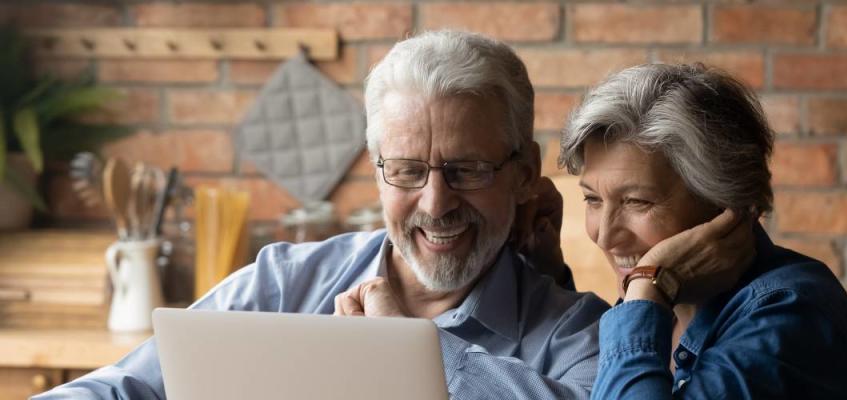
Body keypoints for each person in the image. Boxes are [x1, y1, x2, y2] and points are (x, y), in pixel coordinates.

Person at [35, 31, 611, 400]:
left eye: (467, 170)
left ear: (522, 171)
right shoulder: (284, 282)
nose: (436, 204)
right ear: (376, 167)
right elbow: (121, 388)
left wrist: (412, 349)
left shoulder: (578, 335)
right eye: (407, 171)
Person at [557, 63, 847, 399]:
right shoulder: (657, 305)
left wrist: (649, 286)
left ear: (724, 200)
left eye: (637, 202)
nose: (605, 235)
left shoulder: (789, 313)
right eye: (592, 199)